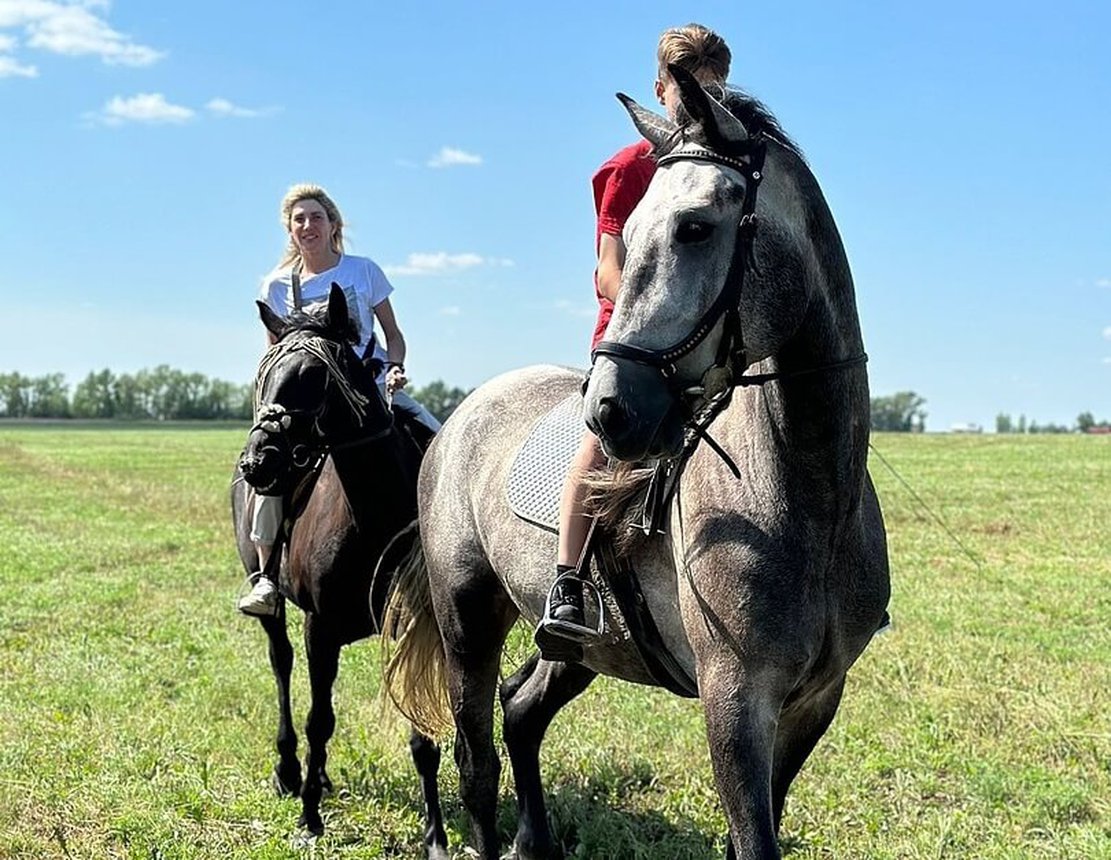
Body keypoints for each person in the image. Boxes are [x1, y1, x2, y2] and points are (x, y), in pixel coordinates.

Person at [536, 24, 732, 647]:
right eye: (687, 91)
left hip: (702, 341)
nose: (702, 103)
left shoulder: (725, 167)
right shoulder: (628, 167)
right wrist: (656, 316)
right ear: (659, 90)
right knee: (597, 448)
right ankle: (567, 582)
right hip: (635, 339)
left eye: (715, 91)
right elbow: (608, 269)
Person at [238, 183, 440, 616]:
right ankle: (265, 577)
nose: (307, 226)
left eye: (316, 217)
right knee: (269, 473)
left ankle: (447, 552)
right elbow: (274, 352)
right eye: (299, 220)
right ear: (290, 231)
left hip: (369, 390)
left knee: (438, 441)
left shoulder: (363, 271)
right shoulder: (277, 284)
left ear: (333, 225)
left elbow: (393, 336)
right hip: (309, 403)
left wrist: (395, 368)